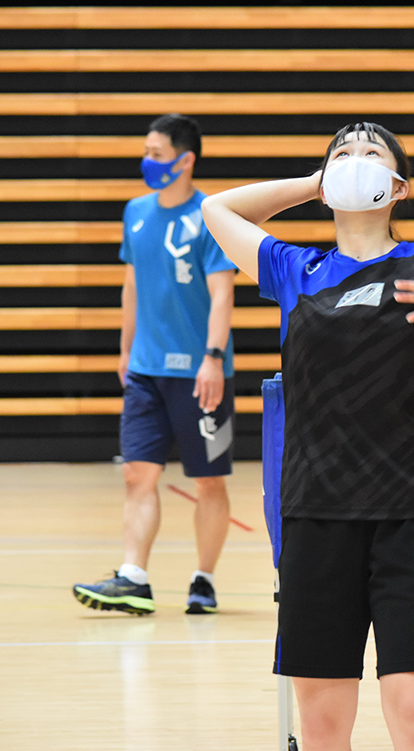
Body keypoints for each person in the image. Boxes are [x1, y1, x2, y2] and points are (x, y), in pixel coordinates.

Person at [201, 122, 414, 751]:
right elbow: (218, 209)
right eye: (342, 153)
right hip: (316, 517)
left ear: (398, 187)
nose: (356, 159)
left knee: (411, 717)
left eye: (372, 153)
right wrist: (314, 184)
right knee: (323, 729)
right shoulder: (295, 269)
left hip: (412, 520)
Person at [73, 113, 238, 615]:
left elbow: (222, 293)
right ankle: (134, 577)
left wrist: (213, 358)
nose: (147, 161)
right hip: (145, 370)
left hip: (201, 373)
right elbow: (132, 285)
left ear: (185, 160)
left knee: (208, 480)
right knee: (137, 475)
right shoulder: (135, 212)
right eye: (145, 151)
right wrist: (125, 349)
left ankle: (204, 580)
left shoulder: (211, 215)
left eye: (156, 153)